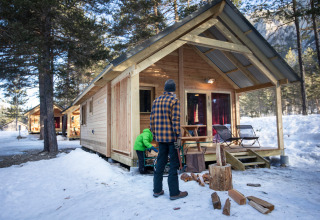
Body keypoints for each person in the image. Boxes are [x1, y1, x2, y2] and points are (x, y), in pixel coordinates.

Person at [150, 79, 188, 200]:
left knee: (160, 163)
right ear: (174, 90)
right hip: (172, 139)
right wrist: (178, 136)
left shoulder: (156, 101)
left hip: (161, 139)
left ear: (165, 89)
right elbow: (175, 120)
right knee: (174, 164)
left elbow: (151, 121)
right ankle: (174, 193)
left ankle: (157, 190)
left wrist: (155, 134)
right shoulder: (174, 101)